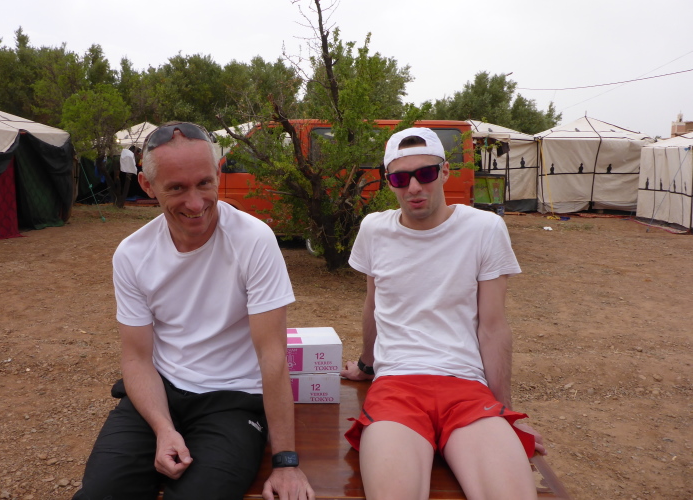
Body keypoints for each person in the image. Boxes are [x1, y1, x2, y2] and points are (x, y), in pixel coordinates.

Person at [74, 122, 314, 500]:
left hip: (233, 400)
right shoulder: (132, 254)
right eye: (176, 188)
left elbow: (272, 355)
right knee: (101, 493)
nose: (196, 203)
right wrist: (163, 428)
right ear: (147, 185)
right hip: (161, 391)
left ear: (218, 173)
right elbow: (137, 358)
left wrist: (285, 462)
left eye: (204, 183)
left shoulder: (253, 240)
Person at [340, 127, 545, 500]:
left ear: (445, 172)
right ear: (389, 182)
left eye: (426, 173)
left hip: (464, 386)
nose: (414, 187)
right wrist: (367, 365)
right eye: (401, 178)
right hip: (397, 385)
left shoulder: (483, 228)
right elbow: (374, 304)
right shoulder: (374, 229)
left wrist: (506, 413)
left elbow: (493, 328)